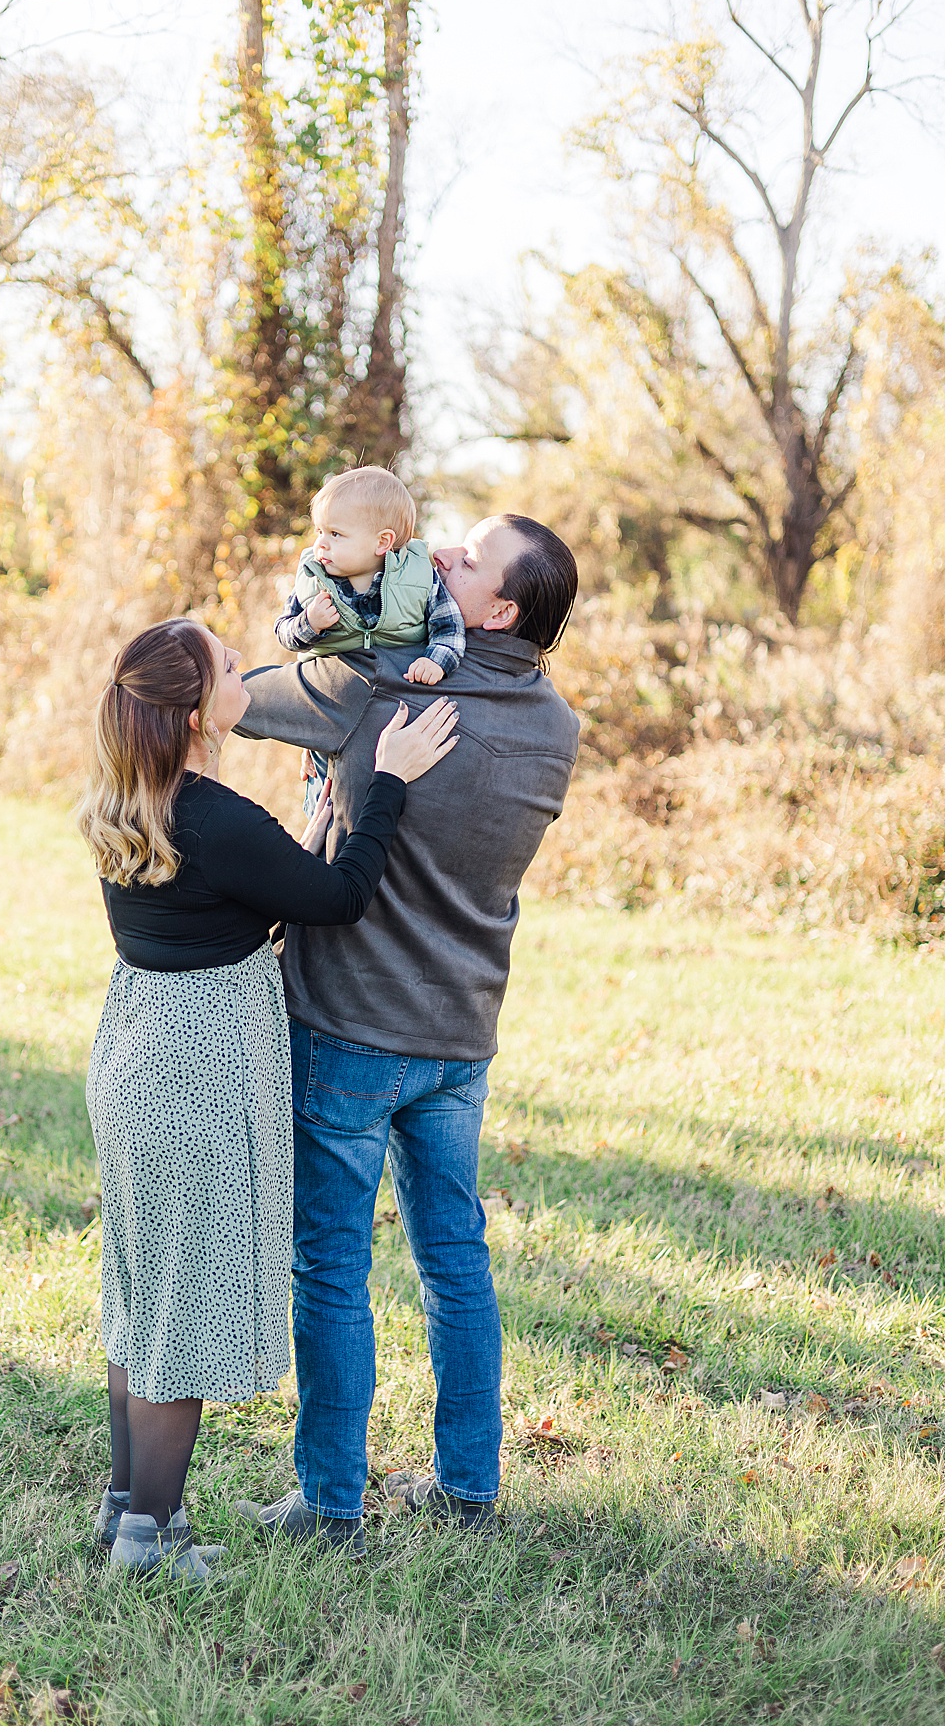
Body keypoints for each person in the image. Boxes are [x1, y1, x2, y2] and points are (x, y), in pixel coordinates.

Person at [76, 617, 460, 1585]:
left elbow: (243, 892)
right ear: (202, 712)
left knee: (144, 1296)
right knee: (187, 1314)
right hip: (199, 1072)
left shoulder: (132, 798)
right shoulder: (215, 817)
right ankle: (149, 1542)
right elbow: (337, 897)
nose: (247, 668)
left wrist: (318, 816)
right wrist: (389, 783)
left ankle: (126, 1505)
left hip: (136, 1051)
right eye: (224, 664)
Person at [232, 514, 579, 1554]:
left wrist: (321, 616)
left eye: (468, 559)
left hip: (349, 1024)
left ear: (501, 608)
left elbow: (235, 702)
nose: (442, 557)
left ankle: (330, 1502)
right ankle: (469, 1484)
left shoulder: (379, 686)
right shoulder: (559, 723)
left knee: (331, 1266)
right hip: (462, 1032)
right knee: (455, 1260)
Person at [275, 465, 466, 816]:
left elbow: (450, 628)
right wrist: (309, 623)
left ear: (382, 542)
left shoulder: (421, 579)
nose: (320, 543)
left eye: (335, 533)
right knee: (326, 801)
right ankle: (322, 846)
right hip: (330, 705)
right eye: (320, 530)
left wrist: (435, 659)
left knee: (385, 799)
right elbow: (285, 633)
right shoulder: (314, 580)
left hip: (396, 713)